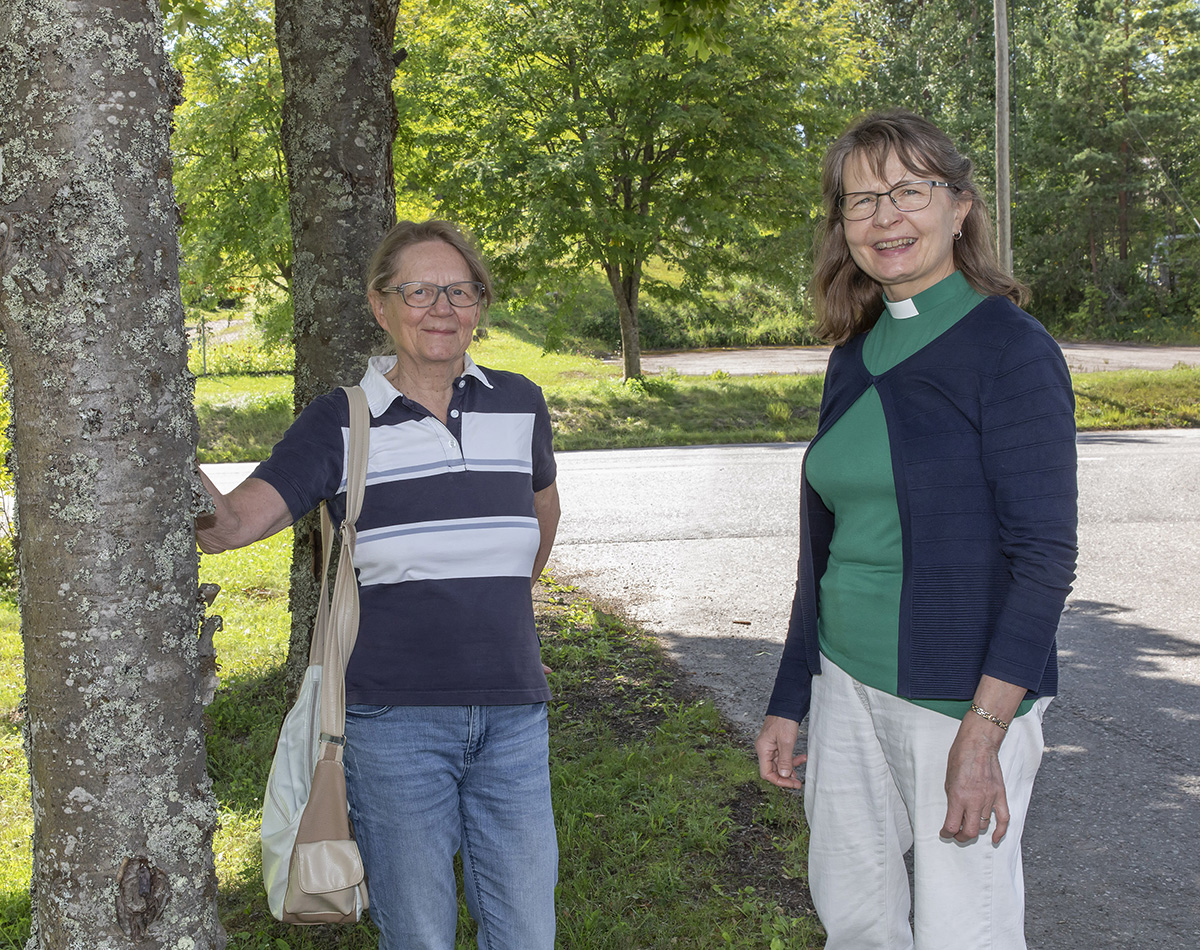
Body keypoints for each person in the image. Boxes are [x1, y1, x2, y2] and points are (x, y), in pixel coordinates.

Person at [755, 110, 1077, 950]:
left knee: (961, 930)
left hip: (956, 699)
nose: (885, 217)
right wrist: (793, 697)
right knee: (855, 919)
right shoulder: (854, 355)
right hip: (843, 682)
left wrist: (985, 732)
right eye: (860, 201)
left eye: (908, 190)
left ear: (960, 206)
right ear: (842, 229)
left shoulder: (1010, 349)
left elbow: (1044, 558)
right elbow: (820, 552)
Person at [196, 220, 561, 950]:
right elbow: (233, 524)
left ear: (479, 305)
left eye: (459, 291)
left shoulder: (519, 403)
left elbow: (540, 521)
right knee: (420, 936)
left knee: (527, 932)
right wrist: (158, 444)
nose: (440, 307)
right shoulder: (343, 421)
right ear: (380, 305)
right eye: (418, 290)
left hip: (515, 717)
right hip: (396, 724)